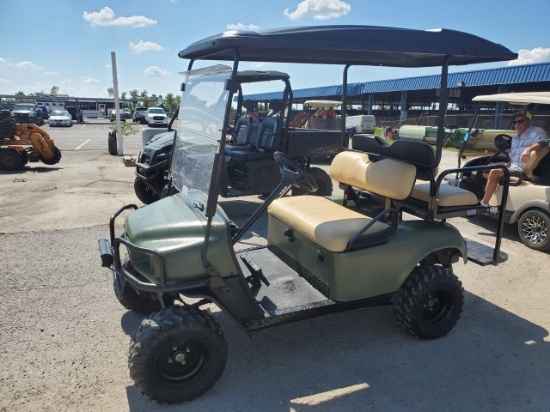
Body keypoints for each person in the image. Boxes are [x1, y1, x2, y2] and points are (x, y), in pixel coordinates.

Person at [480, 110, 548, 207]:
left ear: (529, 121)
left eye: (521, 121)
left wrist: (528, 149)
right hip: (513, 166)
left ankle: (484, 204)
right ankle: (495, 198)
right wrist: (508, 162)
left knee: (494, 173)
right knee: (484, 170)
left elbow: (543, 142)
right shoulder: (516, 137)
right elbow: (513, 156)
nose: (517, 124)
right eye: (514, 122)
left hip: (522, 169)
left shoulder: (535, 131)